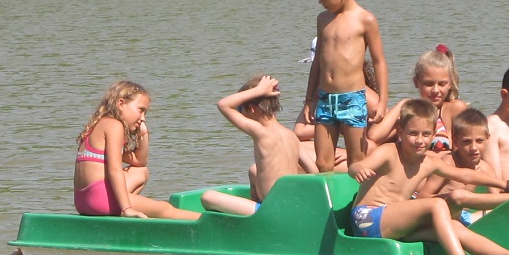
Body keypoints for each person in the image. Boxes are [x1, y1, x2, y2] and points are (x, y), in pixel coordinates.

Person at [348, 98, 509, 255]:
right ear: (400, 132)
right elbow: (356, 165)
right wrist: (358, 169)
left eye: (426, 134)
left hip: (397, 224)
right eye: (413, 134)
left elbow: (465, 175)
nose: (420, 140)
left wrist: (504, 185)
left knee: (454, 226)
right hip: (367, 219)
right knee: (438, 204)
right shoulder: (388, 152)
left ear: (434, 135)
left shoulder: (429, 161)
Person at [301, 0, 388, 173]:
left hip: (352, 99)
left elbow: (379, 61)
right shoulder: (323, 19)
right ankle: (330, 204)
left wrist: (383, 100)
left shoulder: (365, 19)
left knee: (357, 161)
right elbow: (318, 63)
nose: (320, 2)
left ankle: (357, 204)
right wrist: (309, 99)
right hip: (324, 98)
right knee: (323, 162)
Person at [75, 81, 200, 220]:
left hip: (83, 202)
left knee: (141, 172)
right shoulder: (114, 125)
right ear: (121, 103)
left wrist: (143, 134)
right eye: (140, 110)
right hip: (100, 200)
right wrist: (127, 209)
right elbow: (114, 170)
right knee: (165, 209)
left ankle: (125, 205)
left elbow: (139, 161)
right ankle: (208, 221)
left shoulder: (100, 125)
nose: (143, 118)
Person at [201, 75, 303, 215]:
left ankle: (256, 222)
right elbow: (313, 170)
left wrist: (259, 90)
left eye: (240, 109)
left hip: (273, 210)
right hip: (291, 203)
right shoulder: (291, 136)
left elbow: (223, 105)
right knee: (254, 170)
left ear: (252, 109)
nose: (239, 113)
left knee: (208, 197)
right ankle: (257, 212)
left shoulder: (261, 132)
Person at [415, 107, 509, 226]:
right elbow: (422, 197)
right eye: (467, 142)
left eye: (479, 141)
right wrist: (453, 199)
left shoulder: (484, 168)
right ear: (455, 141)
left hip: (465, 216)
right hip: (440, 215)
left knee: (500, 212)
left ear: (487, 139)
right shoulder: (448, 163)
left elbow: (496, 200)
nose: (473, 148)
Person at [367, 45, 468, 154]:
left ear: (450, 84)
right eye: (428, 84)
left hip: (440, 167)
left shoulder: (454, 109)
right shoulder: (410, 111)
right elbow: (374, 136)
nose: (435, 90)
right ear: (416, 82)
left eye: (442, 84)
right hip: (410, 168)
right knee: (369, 146)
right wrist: (402, 104)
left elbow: (460, 154)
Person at [294, 56, 381, 174]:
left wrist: (347, 152)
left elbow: (381, 134)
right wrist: (311, 99)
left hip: (371, 153)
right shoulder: (324, 93)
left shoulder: (362, 93)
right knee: (294, 148)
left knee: (296, 160)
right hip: (351, 147)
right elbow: (299, 132)